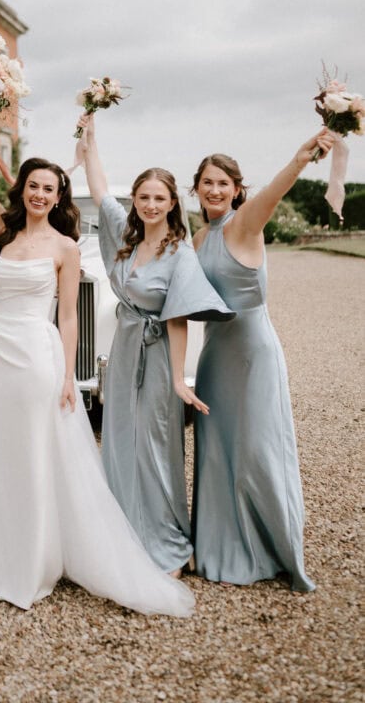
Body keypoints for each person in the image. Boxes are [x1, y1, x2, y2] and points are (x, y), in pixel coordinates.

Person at [0, 89, 194, 617]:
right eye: (33, 186)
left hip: (37, 356)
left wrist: (69, 374)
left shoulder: (67, 248)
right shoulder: (1, 236)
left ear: (58, 195)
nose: (40, 194)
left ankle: (32, 553)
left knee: (33, 447)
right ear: (23, 190)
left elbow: (68, 316)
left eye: (50, 188)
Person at [77, 113, 233, 576]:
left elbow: (179, 316)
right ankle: (121, 532)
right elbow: (101, 189)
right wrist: (89, 139)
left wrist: (181, 380)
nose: (149, 204)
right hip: (124, 354)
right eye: (142, 197)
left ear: (171, 204)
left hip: (159, 356)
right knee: (120, 440)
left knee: (156, 444)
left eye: (158, 198)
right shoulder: (124, 242)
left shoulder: (179, 252)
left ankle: (166, 540)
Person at [190, 128, 336, 591]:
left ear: (236, 189)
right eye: (207, 182)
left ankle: (273, 547)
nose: (215, 190)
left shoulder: (245, 222)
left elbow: (277, 190)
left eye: (223, 183)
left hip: (252, 354)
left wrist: (302, 157)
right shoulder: (198, 235)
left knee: (256, 451)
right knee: (215, 450)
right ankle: (217, 547)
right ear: (196, 188)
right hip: (215, 354)